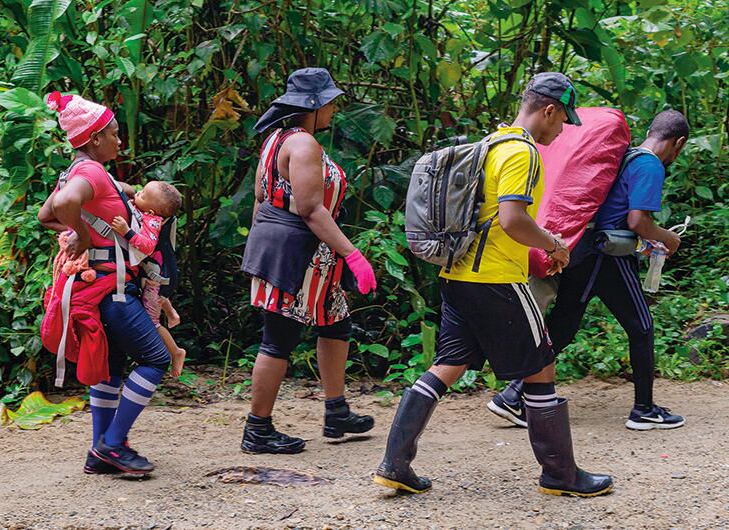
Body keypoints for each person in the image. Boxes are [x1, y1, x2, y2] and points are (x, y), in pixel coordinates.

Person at [374, 73, 614, 497]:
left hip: (457, 275)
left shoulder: (493, 143)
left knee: (448, 364)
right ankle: (561, 475)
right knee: (541, 365)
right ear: (549, 110)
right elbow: (512, 220)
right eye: (562, 122)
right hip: (496, 278)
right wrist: (556, 245)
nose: (561, 131)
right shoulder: (522, 153)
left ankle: (395, 463)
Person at [488, 110, 689, 431]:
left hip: (581, 252)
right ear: (678, 144)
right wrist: (669, 238)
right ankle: (644, 410)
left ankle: (512, 396)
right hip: (606, 258)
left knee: (564, 325)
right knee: (642, 326)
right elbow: (638, 221)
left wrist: (647, 241)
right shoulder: (650, 164)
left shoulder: (625, 157)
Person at [240, 67, 378, 455]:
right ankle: (258, 429)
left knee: (336, 323)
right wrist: (354, 254)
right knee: (278, 338)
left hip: (305, 255)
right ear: (314, 106)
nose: (334, 111)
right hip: (298, 254)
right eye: (331, 104)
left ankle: (337, 412)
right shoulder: (303, 145)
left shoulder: (276, 140)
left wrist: (260, 247)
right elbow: (311, 208)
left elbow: (259, 199)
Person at [37, 92, 169, 475]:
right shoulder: (90, 173)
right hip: (112, 289)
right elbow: (61, 209)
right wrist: (80, 231)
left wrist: (83, 231)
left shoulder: (81, 171)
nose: (119, 140)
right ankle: (112, 444)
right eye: (113, 134)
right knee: (156, 358)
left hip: (100, 288)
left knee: (111, 367)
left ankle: (100, 451)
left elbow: (45, 216)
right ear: (95, 138)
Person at [109, 180, 187, 376]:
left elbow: (147, 246)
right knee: (157, 298)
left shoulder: (152, 221)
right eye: (141, 189)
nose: (137, 194)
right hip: (156, 278)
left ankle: (176, 352)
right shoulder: (144, 210)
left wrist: (126, 231)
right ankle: (171, 313)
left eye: (142, 195)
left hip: (155, 283)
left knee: (152, 321)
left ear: (152, 212)